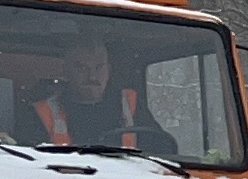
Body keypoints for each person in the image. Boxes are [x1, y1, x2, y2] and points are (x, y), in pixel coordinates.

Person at [22, 33, 178, 156]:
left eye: (99, 67)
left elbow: (162, 152)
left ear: (108, 70)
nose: (92, 76)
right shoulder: (41, 112)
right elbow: (31, 165)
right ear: (66, 71)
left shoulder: (131, 104)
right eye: (82, 68)